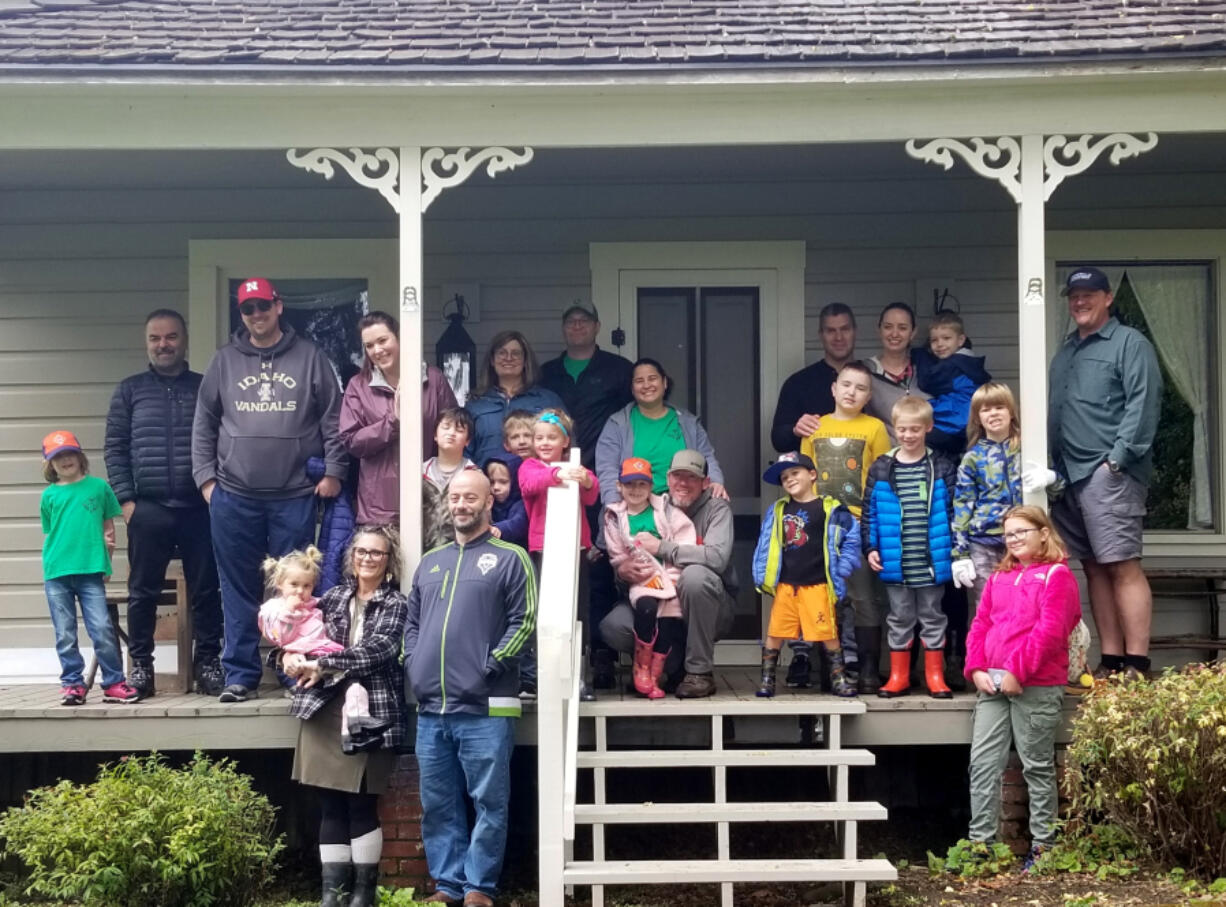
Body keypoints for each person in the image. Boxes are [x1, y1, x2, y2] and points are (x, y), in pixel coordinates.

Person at [192, 276, 347, 703]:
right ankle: (240, 675)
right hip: (234, 495)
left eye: (263, 305)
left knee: (296, 591)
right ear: (241, 314)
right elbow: (204, 422)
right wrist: (206, 478)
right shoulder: (224, 361)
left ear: (278, 306)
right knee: (237, 585)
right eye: (248, 308)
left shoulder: (311, 357)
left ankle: (289, 668)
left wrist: (333, 469)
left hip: (295, 494)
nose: (256, 314)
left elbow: (332, 417)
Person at [403, 470, 536, 907]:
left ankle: (480, 887)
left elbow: (525, 621)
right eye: (455, 497)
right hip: (432, 708)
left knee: (488, 803)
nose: (461, 504)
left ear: (488, 502)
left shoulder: (510, 557)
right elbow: (413, 625)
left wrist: (491, 663)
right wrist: (414, 663)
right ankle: (448, 885)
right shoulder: (431, 561)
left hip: (487, 704)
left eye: (470, 497)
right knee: (439, 803)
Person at [279, 525, 409, 907]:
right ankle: (332, 895)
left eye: (377, 553)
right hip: (323, 708)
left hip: (370, 710)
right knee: (330, 802)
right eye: (361, 552)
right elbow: (294, 634)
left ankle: (364, 894)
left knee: (361, 802)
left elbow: (378, 651)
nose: (367, 558)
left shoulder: (396, 603)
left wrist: (322, 663)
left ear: (389, 562)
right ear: (352, 558)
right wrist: (285, 657)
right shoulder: (331, 597)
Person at [1048, 266, 1163, 680]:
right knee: (1093, 566)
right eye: (1074, 296)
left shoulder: (1130, 344)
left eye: (1089, 294)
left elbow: (1143, 404)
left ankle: (1137, 664)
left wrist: (1116, 461)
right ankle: (1111, 661)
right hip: (1067, 476)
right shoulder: (1066, 351)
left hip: (1107, 473)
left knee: (1122, 565)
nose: (1080, 301)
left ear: (1107, 297)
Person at [104, 308, 224, 698]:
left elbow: (224, 443)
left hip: (199, 507)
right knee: (144, 592)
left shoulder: (204, 387)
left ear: (184, 340)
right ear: (147, 343)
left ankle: (207, 664)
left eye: (170, 337)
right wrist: (126, 500)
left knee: (207, 590)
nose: (163, 345)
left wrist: (217, 492)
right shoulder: (130, 390)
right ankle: (141, 667)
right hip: (148, 507)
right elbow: (115, 448)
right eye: (155, 338)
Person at [964, 506, 1081, 869]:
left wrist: (1017, 671)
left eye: (1021, 531)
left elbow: (1050, 633)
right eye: (1009, 534)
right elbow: (981, 623)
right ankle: (980, 846)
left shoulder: (1057, 576)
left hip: (1037, 685)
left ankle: (1044, 847)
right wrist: (975, 668)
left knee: (1036, 766)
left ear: (1044, 532)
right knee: (983, 763)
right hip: (992, 683)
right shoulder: (1000, 576)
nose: (1013, 539)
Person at [600, 450, 738, 699]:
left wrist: (662, 547)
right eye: (677, 476)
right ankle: (659, 669)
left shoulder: (717, 509)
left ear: (706, 482)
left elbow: (717, 559)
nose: (683, 483)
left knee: (694, 577)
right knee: (614, 626)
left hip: (710, 605)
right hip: (657, 593)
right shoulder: (654, 506)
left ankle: (699, 672)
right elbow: (624, 552)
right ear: (668, 477)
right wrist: (622, 572)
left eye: (692, 477)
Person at [798, 360, 892, 693]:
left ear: (868, 396)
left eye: (861, 388)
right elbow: (803, 478)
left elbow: (882, 477)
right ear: (834, 389)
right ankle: (830, 670)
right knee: (826, 597)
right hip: (821, 523)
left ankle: (867, 669)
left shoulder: (875, 429)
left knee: (862, 597)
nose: (852, 392)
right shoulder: (815, 428)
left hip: (858, 521)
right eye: (847, 385)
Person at [862, 396, 958, 699]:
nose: (908, 435)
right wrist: (870, 547)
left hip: (931, 560)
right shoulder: (881, 468)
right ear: (895, 428)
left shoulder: (941, 466)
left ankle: (934, 675)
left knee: (932, 616)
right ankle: (898, 676)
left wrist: (956, 551)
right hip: (895, 560)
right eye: (902, 429)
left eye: (915, 429)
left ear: (927, 428)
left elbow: (955, 511)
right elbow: (870, 513)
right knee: (899, 616)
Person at [39, 430, 139, 706]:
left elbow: (109, 530)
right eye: (58, 457)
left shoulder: (99, 488)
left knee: (101, 628)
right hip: (57, 571)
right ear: (50, 464)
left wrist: (106, 562)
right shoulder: (49, 496)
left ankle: (114, 682)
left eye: (70, 453)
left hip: (90, 572)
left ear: (80, 456)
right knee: (65, 633)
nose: (65, 460)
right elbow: (52, 532)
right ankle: (72, 684)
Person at [752, 452, 860, 698]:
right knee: (776, 631)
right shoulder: (779, 509)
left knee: (827, 632)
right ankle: (767, 679)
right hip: (787, 585)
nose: (789, 479)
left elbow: (852, 538)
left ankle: (838, 677)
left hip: (818, 583)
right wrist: (761, 573)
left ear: (812, 474)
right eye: (784, 477)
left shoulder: (830, 508)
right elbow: (766, 542)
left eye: (795, 473)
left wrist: (844, 568)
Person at [339, 311, 459, 525]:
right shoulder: (358, 386)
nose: (377, 350)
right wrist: (393, 421)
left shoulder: (433, 379)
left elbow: (453, 430)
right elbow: (351, 441)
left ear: (400, 338)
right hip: (380, 506)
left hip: (431, 499)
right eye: (369, 345)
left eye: (383, 340)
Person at [951, 383, 1062, 613]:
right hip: (983, 542)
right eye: (985, 409)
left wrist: (1051, 477)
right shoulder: (972, 458)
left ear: (1011, 412)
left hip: (1025, 540)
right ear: (976, 418)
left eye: (999, 407)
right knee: (991, 605)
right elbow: (962, 505)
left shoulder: (1029, 448)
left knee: (1030, 603)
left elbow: (1057, 491)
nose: (993, 414)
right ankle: (994, 650)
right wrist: (960, 554)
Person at [518, 409, 600, 700]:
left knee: (578, 613)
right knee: (547, 612)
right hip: (545, 549)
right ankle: (547, 676)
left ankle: (579, 676)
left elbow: (591, 494)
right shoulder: (529, 466)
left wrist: (586, 481)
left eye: (551, 437)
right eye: (538, 437)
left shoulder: (577, 466)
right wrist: (558, 473)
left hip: (575, 549)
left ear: (565, 441)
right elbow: (530, 484)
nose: (544, 442)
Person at [601, 457, 696, 699]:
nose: (635, 490)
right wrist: (624, 565)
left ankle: (655, 673)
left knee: (669, 618)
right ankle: (641, 667)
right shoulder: (614, 517)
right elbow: (616, 552)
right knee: (646, 607)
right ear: (619, 486)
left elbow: (685, 538)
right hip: (641, 578)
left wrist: (673, 565)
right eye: (629, 484)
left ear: (651, 487)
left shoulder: (665, 511)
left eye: (642, 485)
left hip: (670, 574)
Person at [596, 358, 727, 506]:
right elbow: (607, 470)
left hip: (685, 502)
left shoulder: (688, 422)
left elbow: (707, 457)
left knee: (719, 505)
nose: (646, 385)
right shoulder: (617, 424)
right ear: (632, 389)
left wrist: (716, 481)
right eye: (639, 381)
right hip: (637, 505)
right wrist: (614, 506)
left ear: (664, 383)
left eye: (652, 378)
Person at [540, 302, 634, 470]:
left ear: (597, 327)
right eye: (571, 321)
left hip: (606, 469)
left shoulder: (620, 369)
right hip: (554, 471)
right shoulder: (546, 373)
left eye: (584, 320)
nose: (577, 325)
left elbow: (634, 418)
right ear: (563, 328)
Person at [465, 330, 566, 467]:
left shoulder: (547, 401)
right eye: (502, 353)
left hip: (537, 484)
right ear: (492, 360)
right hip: (487, 484)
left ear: (525, 361)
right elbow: (464, 453)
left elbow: (566, 447)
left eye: (516, 353)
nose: (508, 358)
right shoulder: (477, 404)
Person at [771, 302, 858, 454]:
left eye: (845, 329)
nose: (839, 337)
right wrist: (795, 430)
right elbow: (778, 440)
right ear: (821, 335)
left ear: (855, 331)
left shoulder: (870, 379)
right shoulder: (798, 383)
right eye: (831, 331)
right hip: (814, 474)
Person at [912, 310, 992, 454]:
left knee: (919, 436)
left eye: (946, 338)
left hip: (953, 420)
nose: (939, 344)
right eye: (934, 340)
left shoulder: (955, 364)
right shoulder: (969, 361)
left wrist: (920, 355)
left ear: (960, 340)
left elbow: (927, 382)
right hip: (965, 422)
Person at [863, 302, 932, 441]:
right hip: (885, 458)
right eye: (888, 327)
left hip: (930, 457)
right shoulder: (865, 372)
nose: (894, 334)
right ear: (879, 330)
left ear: (913, 333)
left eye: (902, 328)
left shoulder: (929, 369)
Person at [423, 408, 477, 491]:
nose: (451, 433)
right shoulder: (422, 471)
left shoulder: (474, 473)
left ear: (468, 441)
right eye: (446, 427)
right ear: (435, 435)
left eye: (459, 430)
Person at [483, 452, 528, 548]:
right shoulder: (489, 503)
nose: (496, 487)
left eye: (503, 482)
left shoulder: (522, 504)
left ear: (516, 482)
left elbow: (518, 523)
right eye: (491, 482)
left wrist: (499, 529)